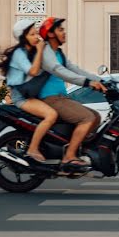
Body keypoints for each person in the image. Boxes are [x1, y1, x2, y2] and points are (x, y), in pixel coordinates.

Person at [37, 17, 107, 169]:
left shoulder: (59, 53)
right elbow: (59, 71)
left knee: (95, 117)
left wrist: (101, 80)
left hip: (61, 98)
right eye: (60, 29)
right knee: (87, 118)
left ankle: (78, 149)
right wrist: (87, 83)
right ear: (50, 34)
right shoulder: (46, 52)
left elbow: (75, 69)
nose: (64, 32)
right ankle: (69, 156)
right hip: (50, 98)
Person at [0, 19, 58, 162]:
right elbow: (33, 71)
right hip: (21, 97)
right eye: (32, 34)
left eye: (36, 33)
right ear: (24, 38)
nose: (37, 37)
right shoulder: (19, 54)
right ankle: (32, 148)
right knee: (50, 115)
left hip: (31, 94)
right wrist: (41, 50)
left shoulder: (30, 52)